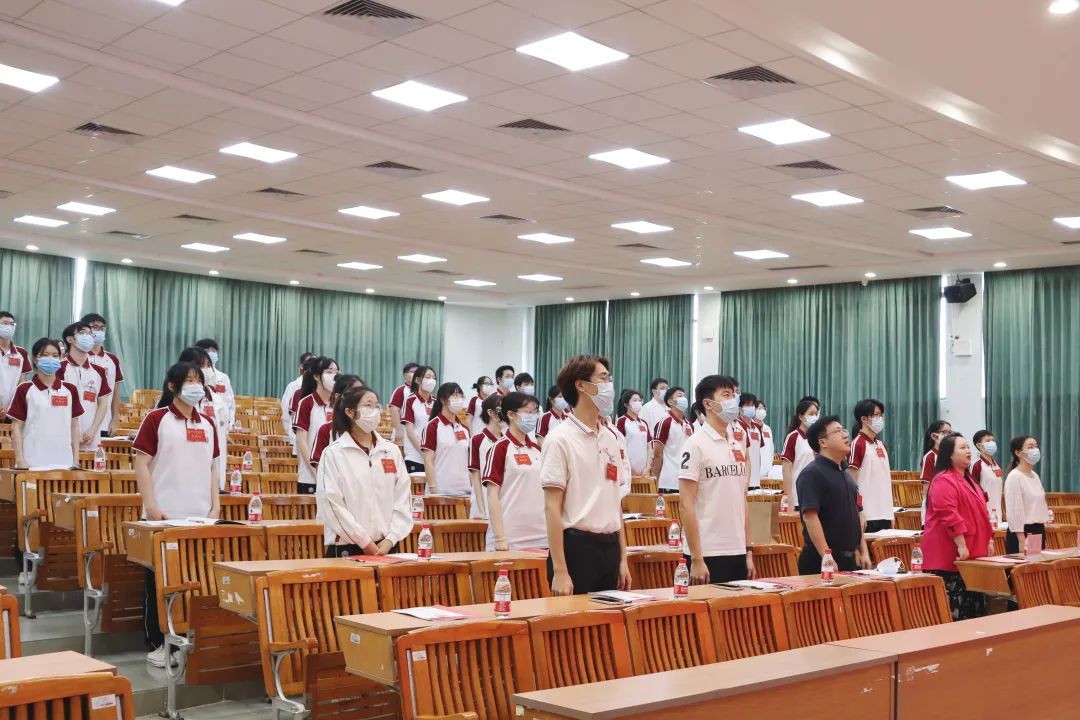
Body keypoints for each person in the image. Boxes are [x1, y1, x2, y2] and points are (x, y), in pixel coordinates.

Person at [133, 361, 220, 667]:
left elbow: (213, 468)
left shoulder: (207, 424)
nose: (195, 386)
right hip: (163, 516)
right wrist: (151, 506)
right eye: (189, 380)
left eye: (199, 380)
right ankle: (158, 643)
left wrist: (215, 506)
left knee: (191, 581)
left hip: (199, 517)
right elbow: (141, 463)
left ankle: (184, 640)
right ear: (172, 386)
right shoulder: (156, 419)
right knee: (158, 584)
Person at [541, 355, 631, 596]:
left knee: (608, 619)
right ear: (580, 385)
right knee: (574, 620)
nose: (609, 385)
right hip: (577, 548)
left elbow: (615, 503)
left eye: (610, 379)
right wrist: (560, 570)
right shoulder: (559, 439)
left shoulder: (611, 438)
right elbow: (552, 508)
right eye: (603, 378)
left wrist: (622, 558)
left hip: (610, 547)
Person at [316, 386, 412, 558]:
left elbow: (403, 498)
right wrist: (364, 542)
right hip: (347, 548)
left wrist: (391, 539)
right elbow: (331, 504)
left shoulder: (391, 451)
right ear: (350, 412)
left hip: (387, 547)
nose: (375, 411)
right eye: (368, 405)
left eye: (377, 405)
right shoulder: (333, 453)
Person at [680, 375, 755, 584]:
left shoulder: (736, 444)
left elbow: (741, 499)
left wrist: (748, 550)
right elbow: (685, 503)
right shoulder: (695, 444)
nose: (733, 400)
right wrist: (696, 558)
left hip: (737, 550)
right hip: (707, 552)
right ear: (708, 404)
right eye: (726, 395)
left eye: (734, 395)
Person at [922, 433, 991, 619]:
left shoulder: (970, 479)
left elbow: (982, 513)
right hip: (950, 554)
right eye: (962, 447)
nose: (968, 451)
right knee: (956, 612)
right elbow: (949, 514)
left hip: (973, 554)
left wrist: (989, 540)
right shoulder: (943, 479)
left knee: (975, 610)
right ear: (950, 454)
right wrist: (961, 544)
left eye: (968, 447)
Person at [796, 416, 871, 574]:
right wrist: (826, 555)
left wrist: (864, 551)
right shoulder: (812, 473)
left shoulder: (846, 472)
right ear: (822, 442)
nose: (845, 435)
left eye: (844, 430)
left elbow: (856, 514)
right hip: (821, 560)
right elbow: (810, 517)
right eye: (837, 431)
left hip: (849, 559)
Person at [484, 392, 546, 551]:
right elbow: (492, 495)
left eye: (535, 412)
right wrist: (500, 538)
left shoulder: (538, 450)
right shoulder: (500, 448)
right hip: (510, 537)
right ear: (511, 414)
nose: (533, 417)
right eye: (528, 412)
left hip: (542, 536)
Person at [9, 337, 83, 469]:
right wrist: (20, 459)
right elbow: (16, 427)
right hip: (32, 462)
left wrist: (76, 459)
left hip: (64, 462)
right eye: (45, 355)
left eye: (55, 355)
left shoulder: (70, 389)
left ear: (61, 359)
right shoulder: (24, 389)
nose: (50, 359)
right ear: (35, 359)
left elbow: (75, 425)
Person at [175, 347, 228, 488]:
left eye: (208, 365)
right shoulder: (171, 401)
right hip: (180, 475)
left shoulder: (218, 401)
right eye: (201, 365)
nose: (206, 370)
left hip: (211, 472)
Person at [58, 321, 112, 451]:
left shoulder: (99, 371)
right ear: (70, 339)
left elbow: (103, 404)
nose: (87, 336)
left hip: (91, 437)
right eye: (82, 333)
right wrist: (72, 432)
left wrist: (93, 430)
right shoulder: (60, 368)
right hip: (65, 436)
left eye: (90, 334)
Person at [293, 357, 339, 494]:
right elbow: (301, 441)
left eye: (336, 372)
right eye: (329, 372)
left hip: (337, 477)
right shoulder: (306, 403)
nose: (334, 376)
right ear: (316, 376)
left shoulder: (341, 404)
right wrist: (317, 472)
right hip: (310, 477)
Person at [848, 399, 893, 532]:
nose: (880, 419)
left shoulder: (881, 444)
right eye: (876, 415)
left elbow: (885, 481)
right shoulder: (857, 444)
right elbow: (851, 481)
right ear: (864, 419)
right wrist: (858, 510)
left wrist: (890, 514)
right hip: (867, 514)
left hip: (885, 513)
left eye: (881, 415)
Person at [421, 382, 470, 496]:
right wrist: (433, 489)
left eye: (460, 396)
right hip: (441, 492)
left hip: (465, 492)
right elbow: (428, 461)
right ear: (442, 400)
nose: (458, 400)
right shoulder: (433, 426)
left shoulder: (465, 429)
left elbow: (468, 462)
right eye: (454, 396)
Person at [80, 313, 124, 436]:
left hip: (105, 421)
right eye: (94, 327)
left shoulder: (112, 359)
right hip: (81, 420)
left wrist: (115, 420)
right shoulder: (79, 357)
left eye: (102, 328)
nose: (98, 331)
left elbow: (116, 392)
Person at [1003, 435, 1048, 555]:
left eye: (1036, 446)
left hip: (1038, 529)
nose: (1035, 450)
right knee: (1025, 565)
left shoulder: (1035, 475)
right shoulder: (1014, 476)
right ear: (1018, 452)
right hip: (1022, 532)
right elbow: (1015, 510)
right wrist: (1021, 539)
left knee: (1038, 565)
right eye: (1030, 447)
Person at [310, 374, 364, 469]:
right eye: (354, 392)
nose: (360, 397)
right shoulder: (326, 430)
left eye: (362, 392)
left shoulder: (367, 430)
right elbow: (320, 469)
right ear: (338, 396)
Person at [650, 386, 693, 493]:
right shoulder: (665, 423)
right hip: (669, 481)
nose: (684, 399)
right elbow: (657, 454)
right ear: (670, 402)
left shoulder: (689, 424)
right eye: (679, 396)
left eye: (684, 396)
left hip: (688, 479)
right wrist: (655, 479)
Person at [468, 394, 502, 518]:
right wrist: (482, 510)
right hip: (482, 503)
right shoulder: (477, 440)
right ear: (490, 412)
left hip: (503, 503)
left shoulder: (507, 440)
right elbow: (476, 478)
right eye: (501, 409)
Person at [782, 398, 819, 507]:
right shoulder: (793, 437)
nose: (814, 417)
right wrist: (789, 496)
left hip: (817, 495)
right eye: (811, 414)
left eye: (816, 414)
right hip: (798, 496)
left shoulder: (819, 438)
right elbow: (786, 469)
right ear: (801, 417)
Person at [194, 339, 235, 433]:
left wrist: (229, 425)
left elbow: (231, 405)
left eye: (214, 350)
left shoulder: (223, 377)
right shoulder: (193, 378)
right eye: (208, 350)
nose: (211, 353)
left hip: (221, 424)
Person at [401, 365, 437, 474]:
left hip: (434, 458)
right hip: (415, 457)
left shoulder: (436, 401)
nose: (432, 380)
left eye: (434, 378)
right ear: (417, 380)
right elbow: (410, 433)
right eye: (428, 377)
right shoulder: (410, 400)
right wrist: (424, 453)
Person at [0, 311, 31, 418]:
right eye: (5, 323)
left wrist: (13, 407)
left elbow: (22, 384)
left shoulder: (21, 353)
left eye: (12, 324)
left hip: (12, 410)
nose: (9, 327)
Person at [280, 351, 315, 442]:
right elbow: (285, 413)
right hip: (295, 438)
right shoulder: (294, 386)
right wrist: (290, 434)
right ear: (302, 366)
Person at [615, 389, 652, 476]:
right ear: (626, 404)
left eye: (640, 400)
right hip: (627, 470)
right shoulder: (621, 421)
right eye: (635, 400)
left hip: (644, 472)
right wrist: (630, 467)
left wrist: (648, 467)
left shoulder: (643, 423)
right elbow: (619, 446)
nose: (638, 403)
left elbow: (649, 446)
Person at [970, 430, 1003, 522]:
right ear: (979, 445)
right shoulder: (976, 465)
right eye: (988, 441)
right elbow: (972, 491)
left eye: (993, 440)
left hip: (997, 513)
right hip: (983, 513)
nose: (992, 443)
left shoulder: (997, 465)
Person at [736, 393, 765, 490]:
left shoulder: (757, 427)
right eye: (748, 405)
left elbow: (758, 450)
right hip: (742, 480)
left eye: (753, 405)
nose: (751, 408)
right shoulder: (736, 426)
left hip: (756, 479)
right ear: (740, 408)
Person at [388, 362, 418, 448]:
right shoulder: (401, 390)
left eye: (417, 372)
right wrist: (399, 432)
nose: (415, 374)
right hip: (403, 431)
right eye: (412, 372)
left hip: (418, 431)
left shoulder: (423, 391)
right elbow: (394, 411)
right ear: (405, 375)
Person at [754, 399, 776, 478]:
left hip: (768, 470)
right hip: (753, 471)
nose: (762, 411)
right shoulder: (749, 428)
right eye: (759, 408)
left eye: (763, 408)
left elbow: (771, 448)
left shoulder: (767, 429)